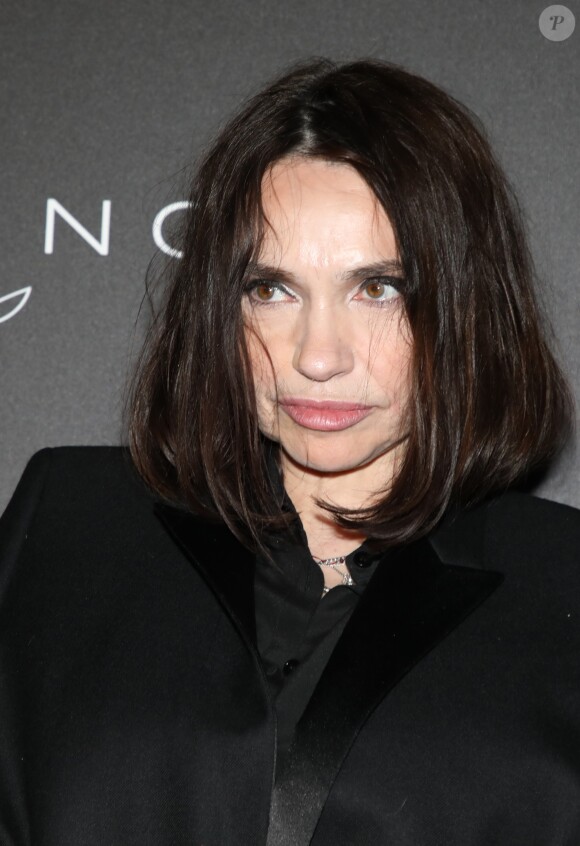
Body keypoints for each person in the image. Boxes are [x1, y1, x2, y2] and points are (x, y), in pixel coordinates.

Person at [0, 57, 579, 846]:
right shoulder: (70, 522)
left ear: (464, 307)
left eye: (379, 287)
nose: (317, 354)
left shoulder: (561, 588)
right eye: (271, 289)